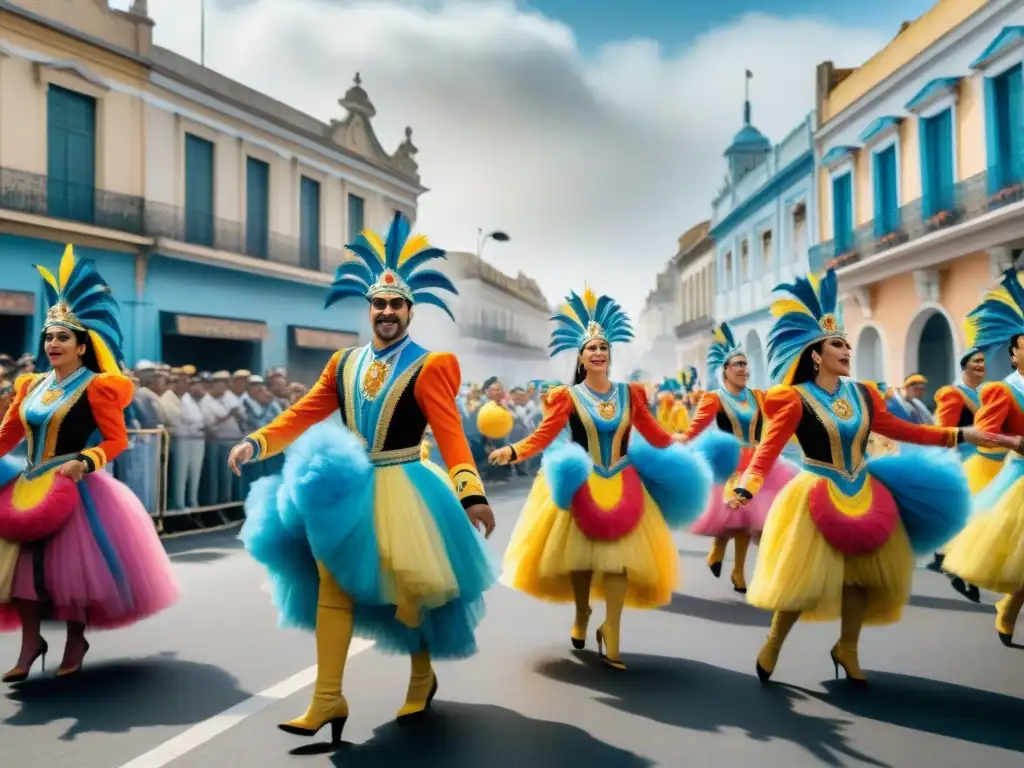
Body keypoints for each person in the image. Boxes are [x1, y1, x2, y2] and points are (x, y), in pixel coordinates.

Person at [228, 212, 497, 746]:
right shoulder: (343, 363)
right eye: (380, 304)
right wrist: (257, 443)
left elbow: (450, 433)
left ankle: (421, 674)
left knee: (411, 591)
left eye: (397, 304)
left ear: (410, 312)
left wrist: (470, 492)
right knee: (334, 586)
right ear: (369, 309)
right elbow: (302, 413)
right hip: (351, 490)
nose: (388, 312)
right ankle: (327, 697)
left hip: (409, 488)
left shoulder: (431, 364)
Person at [726, 269, 1010, 685]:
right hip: (815, 492)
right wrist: (745, 487)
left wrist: (964, 433)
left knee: (862, 577)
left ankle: (848, 649)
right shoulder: (793, 399)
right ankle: (774, 641)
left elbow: (907, 431)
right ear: (816, 355)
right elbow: (767, 450)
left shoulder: (862, 394)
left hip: (863, 489)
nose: (847, 349)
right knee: (798, 581)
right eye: (837, 344)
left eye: (847, 342)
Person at [492, 286, 712, 669]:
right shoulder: (566, 397)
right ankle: (581, 614)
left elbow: (655, 434)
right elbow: (544, 436)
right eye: (591, 348)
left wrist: (682, 441)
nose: (598, 353)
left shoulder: (632, 395)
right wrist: (513, 451)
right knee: (579, 560)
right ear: (580, 357)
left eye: (604, 348)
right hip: (583, 481)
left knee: (618, 564)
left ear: (611, 356)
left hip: (624, 479)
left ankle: (612, 629)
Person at [0, 245, 179, 682]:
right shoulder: (30, 387)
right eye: (48, 336)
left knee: (70, 570)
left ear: (82, 345)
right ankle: (29, 646)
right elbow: (8, 435)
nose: (53, 343)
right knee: (22, 569)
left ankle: (75, 640)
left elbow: (116, 439)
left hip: (74, 486)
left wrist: (86, 459)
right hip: (29, 484)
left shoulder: (98, 387)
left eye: (63, 337)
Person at [682, 322, 798, 593]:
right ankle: (721, 552)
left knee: (748, 521)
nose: (744, 369)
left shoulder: (758, 396)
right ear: (725, 371)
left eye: (746, 365)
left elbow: (786, 405)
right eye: (738, 365)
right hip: (729, 464)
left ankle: (737, 571)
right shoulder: (713, 398)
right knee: (734, 515)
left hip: (758, 465)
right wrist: (673, 443)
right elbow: (694, 429)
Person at [943, 269, 1024, 647]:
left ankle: (1008, 607)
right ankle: (1008, 610)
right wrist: (1013, 442)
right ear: (1013, 353)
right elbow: (984, 435)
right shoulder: (1000, 391)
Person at [928, 348, 988, 601]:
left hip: (986, 461)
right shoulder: (953, 394)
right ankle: (958, 568)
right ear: (964, 366)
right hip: (963, 462)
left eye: (983, 362)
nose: (981, 365)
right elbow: (944, 433)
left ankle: (952, 561)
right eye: (976, 361)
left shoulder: (983, 394)